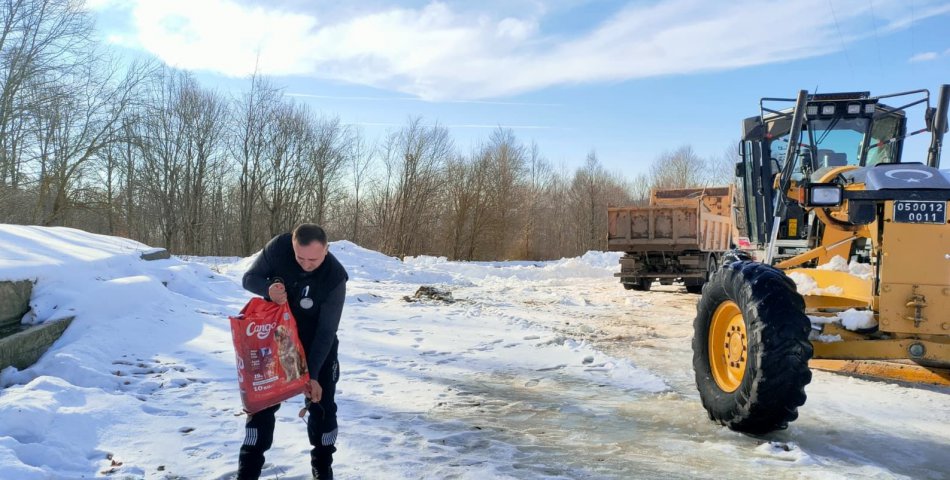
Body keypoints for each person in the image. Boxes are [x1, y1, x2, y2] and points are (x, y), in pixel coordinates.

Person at [237, 223, 348, 480]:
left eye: (314, 259)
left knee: (322, 405)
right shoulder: (278, 248)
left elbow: (326, 332)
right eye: (300, 257)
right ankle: (248, 470)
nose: (307, 264)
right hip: (277, 338)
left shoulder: (334, 276)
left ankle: (322, 465)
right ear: (292, 246)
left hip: (316, 342)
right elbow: (248, 279)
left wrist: (313, 375)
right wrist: (268, 290)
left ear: (327, 250)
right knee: (261, 405)